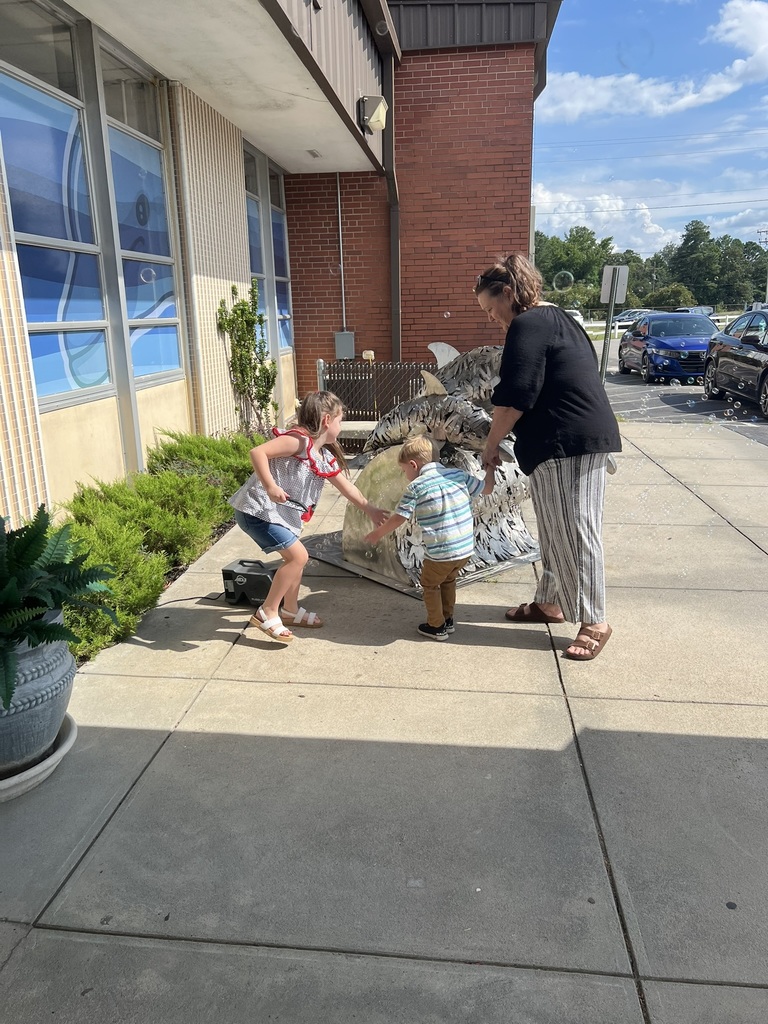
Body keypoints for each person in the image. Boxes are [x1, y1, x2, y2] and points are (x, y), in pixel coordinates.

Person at [474, 254, 621, 661]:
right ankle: (551, 603)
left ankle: (595, 621)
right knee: (556, 529)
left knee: (576, 531)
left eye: (491, 309)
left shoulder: (527, 323)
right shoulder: (558, 318)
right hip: (561, 443)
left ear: (508, 293)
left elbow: (516, 394)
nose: (492, 319)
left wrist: (490, 445)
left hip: (570, 442)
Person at [229, 391, 388, 643]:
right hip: (257, 510)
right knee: (298, 557)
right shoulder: (298, 441)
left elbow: (347, 488)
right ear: (327, 420)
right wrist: (270, 486)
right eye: (340, 420)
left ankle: (290, 610)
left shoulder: (322, 456)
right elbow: (257, 452)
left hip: (277, 514)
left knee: (298, 559)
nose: (341, 425)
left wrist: (370, 508)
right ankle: (268, 611)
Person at [363, 435, 494, 641]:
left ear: (413, 465)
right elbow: (488, 488)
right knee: (448, 579)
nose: (405, 474)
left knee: (430, 584)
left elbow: (399, 517)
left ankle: (436, 626)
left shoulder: (417, 486)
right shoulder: (458, 475)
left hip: (441, 552)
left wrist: (378, 533)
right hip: (465, 549)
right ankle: (448, 619)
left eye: (404, 470)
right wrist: (491, 468)